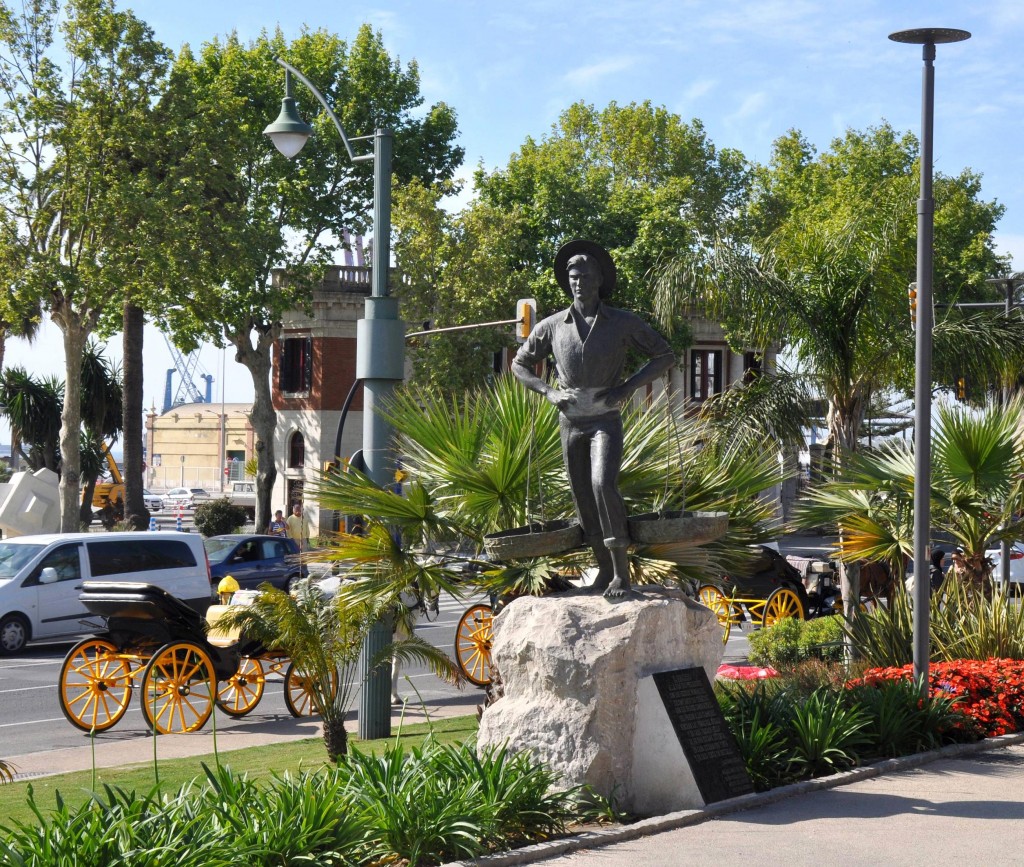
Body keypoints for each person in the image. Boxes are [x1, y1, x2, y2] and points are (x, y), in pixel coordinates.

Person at [512, 240, 675, 597]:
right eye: (572, 276)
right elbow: (519, 364)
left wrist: (628, 387)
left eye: (585, 275)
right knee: (582, 496)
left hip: (605, 418)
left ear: (600, 279)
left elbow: (665, 355)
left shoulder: (621, 323)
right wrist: (549, 392)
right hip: (570, 421)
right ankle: (603, 570)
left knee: (603, 485)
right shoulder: (553, 326)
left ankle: (621, 574)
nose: (578, 282)